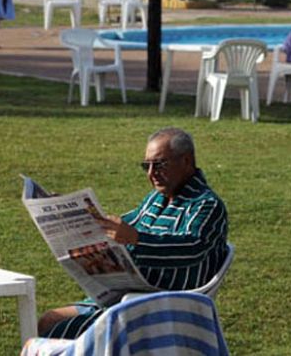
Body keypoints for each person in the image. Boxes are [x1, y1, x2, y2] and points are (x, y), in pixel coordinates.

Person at [38, 127, 229, 339]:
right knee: (48, 321)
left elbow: (191, 249)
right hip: (125, 297)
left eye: (159, 165)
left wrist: (136, 238)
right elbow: (119, 227)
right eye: (146, 166)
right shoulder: (155, 199)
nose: (151, 174)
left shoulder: (206, 206)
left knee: (60, 334)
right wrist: (74, 214)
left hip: (159, 305)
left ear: (186, 161)